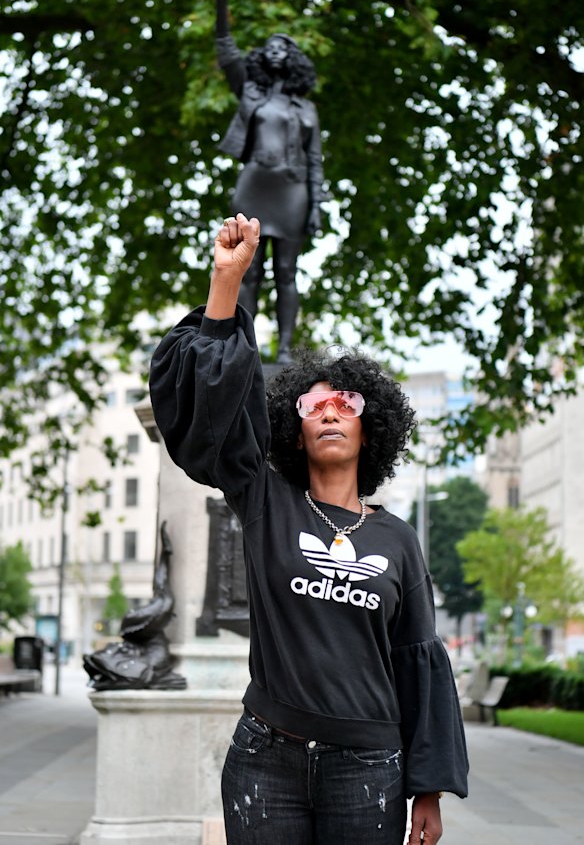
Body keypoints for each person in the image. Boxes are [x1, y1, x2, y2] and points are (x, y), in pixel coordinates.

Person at [149, 213, 469, 844]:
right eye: (311, 404)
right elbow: (212, 416)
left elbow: (417, 661)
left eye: (344, 404)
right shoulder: (266, 499)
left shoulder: (399, 540)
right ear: (293, 428)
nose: (328, 411)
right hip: (266, 759)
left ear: (368, 426)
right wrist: (227, 281)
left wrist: (426, 789)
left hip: (368, 766)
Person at [212, 0, 326, 364]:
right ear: (263, 56)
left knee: (287, 272)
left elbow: (315, 161)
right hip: (254, 186)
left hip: (293, 192)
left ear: (294, 60)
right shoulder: (250, 91)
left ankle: (289, 351)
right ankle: (246, 347)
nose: (276, 49)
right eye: (270, 46)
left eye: (285, 47)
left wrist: (316, 205)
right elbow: (225, 47)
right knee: (247, 270)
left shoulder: (308, 108)